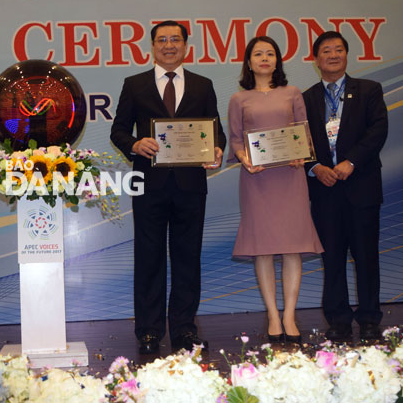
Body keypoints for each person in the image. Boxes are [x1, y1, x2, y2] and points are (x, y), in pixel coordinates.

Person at [111, 20, 226, 354]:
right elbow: (118, 130)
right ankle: (148, 330)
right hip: (149, 183)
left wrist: (216, 148)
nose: (169, 45)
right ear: (152, 46)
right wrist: (135, 145)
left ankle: (184, 330)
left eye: (175, 39)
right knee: (149, 258)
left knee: (187, 258)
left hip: (191, 185)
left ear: (186, 45)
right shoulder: (135, 84)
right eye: (162, 40)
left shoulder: (203, 85)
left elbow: (214, 129)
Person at [227, 36, 323, 344]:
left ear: (278, 60)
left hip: (291, 176)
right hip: (257, 179)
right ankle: (272, 314)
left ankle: (290, 315)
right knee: (263, 248)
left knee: (292, 246)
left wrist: (301, 150)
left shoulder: (292, 93)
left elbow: (303, 131)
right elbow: (236, 139)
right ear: (249, 62)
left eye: (270, 53)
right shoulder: (239, 99)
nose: (265, 58)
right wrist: (246, 160)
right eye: (258, 54)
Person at [303, 31, 388, 342]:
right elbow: (301, 141)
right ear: (316, 60)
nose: (333, 55)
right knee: (333, 258)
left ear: (347, 56)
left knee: (366, 257)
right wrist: (314, 167)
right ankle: (338, 319)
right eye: (326, 51)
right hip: (325, 191)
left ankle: (368, 319)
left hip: (361, 187)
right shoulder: (307, 97)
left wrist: (350, 162)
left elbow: (378, 131)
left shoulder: (369, 90)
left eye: (339, 49)